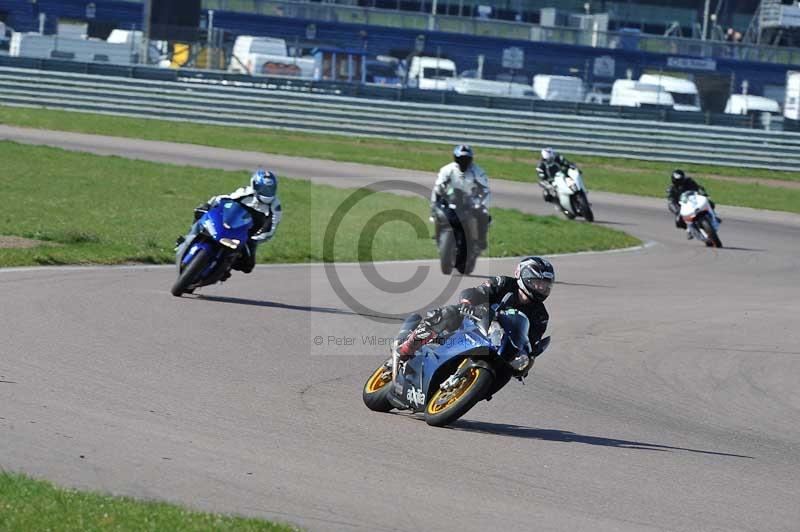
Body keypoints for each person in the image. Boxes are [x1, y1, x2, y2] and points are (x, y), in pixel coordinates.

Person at [392, 256, 554, 373]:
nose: (541, 288)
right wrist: (467, 304)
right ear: (523, 276)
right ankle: (406, 349)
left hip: (499, 343)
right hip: (474, 320)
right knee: (447, 313)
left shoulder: (541, 316)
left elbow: (530, 341)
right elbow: (476, 292)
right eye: (538, 283)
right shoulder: (503, 283)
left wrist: (528, 357)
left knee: (508, 369)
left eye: (546, 286)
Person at [178, 169, 282, 274]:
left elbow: (271, 228)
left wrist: (255, 239)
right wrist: (208, 205)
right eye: (263, 188)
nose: (267, 192)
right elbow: (225, 199)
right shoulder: (245, 192)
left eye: (270, 189)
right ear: (254, 185)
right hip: (230, 222)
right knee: (201, 214)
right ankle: (189, 238)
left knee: (247, 266)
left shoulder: (275, 206)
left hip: (248, 234)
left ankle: (224, 269)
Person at [432, 144, 492, 249]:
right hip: (451, 197)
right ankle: (438, 237)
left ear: (470, 159)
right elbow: (438, 186)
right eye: (461, 158)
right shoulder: (447, 169)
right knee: (438, 214)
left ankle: (481, 240)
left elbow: (485, 190)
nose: (463, 161)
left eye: (466, 159)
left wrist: (481, 204)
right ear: (456, 158)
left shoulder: (478, 172)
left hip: (471, 200)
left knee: (483, 215)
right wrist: (436, 203)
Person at [667, 169, 719, 236]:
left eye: (681, 180)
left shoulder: (689, 181)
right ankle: (689, 230)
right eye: (678, 181)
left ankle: (714, 216)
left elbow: (698, 187)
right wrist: (677, 211)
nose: (680, 183)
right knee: (678, 221)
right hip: (683, 206)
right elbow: (671, 201)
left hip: (694, 200)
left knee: (710, 202)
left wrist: (703, 193)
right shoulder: (671, 189)